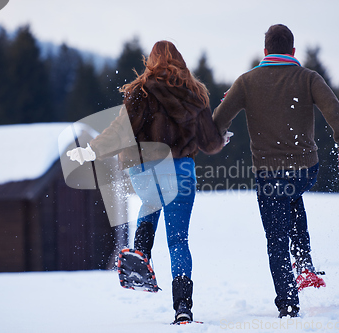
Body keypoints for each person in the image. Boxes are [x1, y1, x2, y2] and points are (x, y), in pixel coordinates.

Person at [73, 40, 226, 323]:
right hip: (180, 171)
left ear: (150, 61)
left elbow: (120, 131)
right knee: (179, 240)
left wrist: (90, 150)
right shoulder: (195, 94)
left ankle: (141, 250)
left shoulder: (140, 92)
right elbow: (209, 141)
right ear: (180, 60)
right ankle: (183, 308)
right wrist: (221, 139)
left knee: (151, 199)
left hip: (145, 170)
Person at [212, 24, 339, 318]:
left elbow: (218, 118)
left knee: (276, 237)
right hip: (306, 169)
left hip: (268, 173)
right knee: (291, 195)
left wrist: (220, 135)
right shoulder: (308, 78)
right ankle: (304, 264)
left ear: (265, 51)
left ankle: (288, 302)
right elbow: (332, 107)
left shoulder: (246, 82)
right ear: (292, 51)